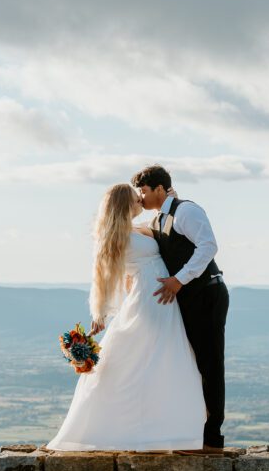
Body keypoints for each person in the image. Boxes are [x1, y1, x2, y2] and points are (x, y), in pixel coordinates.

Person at [45, 183, 206, 452]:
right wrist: (100, 311)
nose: (140, 202)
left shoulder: (133, 228)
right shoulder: (112, 236)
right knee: (141, 358)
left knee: (160, 358)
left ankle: (164, 431)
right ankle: (113, 427)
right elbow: (102, 276)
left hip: (159, 295)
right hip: (149, 297)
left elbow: (153, 224)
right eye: (135, 199)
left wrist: (169, 201)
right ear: (122, 204)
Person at [133, 164, 229, 455]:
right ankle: (192, 433)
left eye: (144, 191)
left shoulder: (186, 211)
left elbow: (208, 246)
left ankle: (213, 440)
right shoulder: (159, 218)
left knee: (210, 365)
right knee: (192, 365)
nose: (141, 197)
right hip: (189, 299)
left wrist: (178, 280)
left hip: (207, 294)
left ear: (160, 189)